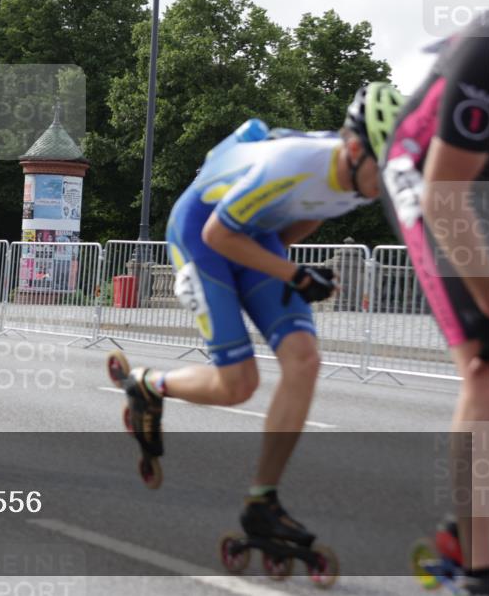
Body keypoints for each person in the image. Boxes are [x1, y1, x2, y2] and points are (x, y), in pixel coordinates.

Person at [107, 83, 403, 543]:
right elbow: (217, 235)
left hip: (253, 234)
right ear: (353, 148)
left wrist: (274, 274)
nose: (385, 184)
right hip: (201, 234)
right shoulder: (293, 163)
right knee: (238, 385)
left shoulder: (362, 178)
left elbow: (309, 215)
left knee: (304, 360)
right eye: (382, 170)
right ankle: (147, 385)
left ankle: (263, 500)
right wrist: (296, 277)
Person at [380, 12, 489, 596]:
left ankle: (466, 523)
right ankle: (478, 569)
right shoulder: (487, 48)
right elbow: (443, 194)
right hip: (427, 177)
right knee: (486, 367)